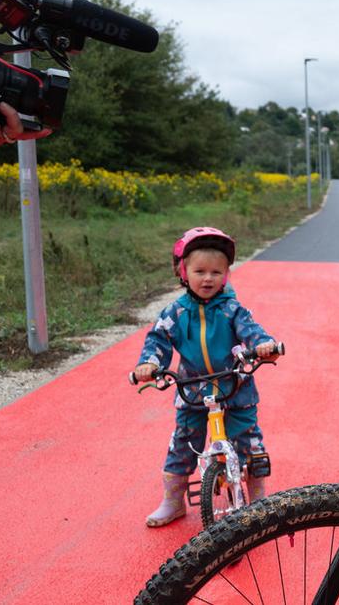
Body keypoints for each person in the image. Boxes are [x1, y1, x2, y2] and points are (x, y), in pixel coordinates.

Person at [133, 226, 279, 527]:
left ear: (226, 274)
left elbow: (252, 332)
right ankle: (173, 502)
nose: (208, 278)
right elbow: (158, 340)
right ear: (183, 272)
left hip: (235, 386)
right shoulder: (175, 312)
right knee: (183, 445)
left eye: (216, 271)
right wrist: (148, 364)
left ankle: (260, 500)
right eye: (199, 271)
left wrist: (263, 346)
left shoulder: (232, 310)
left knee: (249, 444)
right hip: (192, 390)